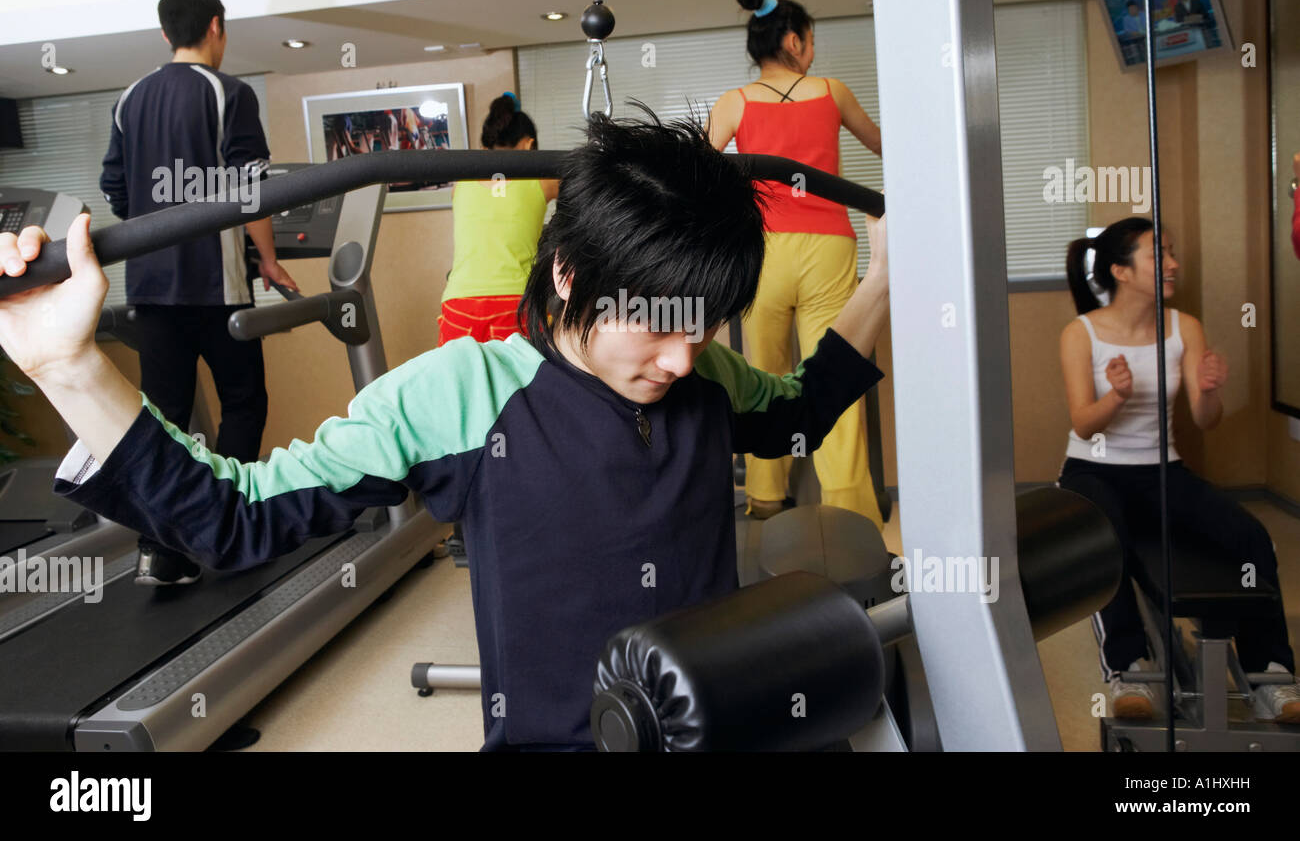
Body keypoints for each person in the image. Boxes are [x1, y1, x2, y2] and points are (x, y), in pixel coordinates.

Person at [0, 110, 890, 751]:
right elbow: (233, 519)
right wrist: (65, 367)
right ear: (573, 278)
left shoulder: (704, 377)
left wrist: (884, 271)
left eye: (701, 329)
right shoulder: (458, 396)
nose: (684, 361)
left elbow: (801, 411)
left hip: (718, 719)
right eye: (657, 327)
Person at [1056, 218, 1299, 723]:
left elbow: (1204, 420)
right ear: (1121, 271)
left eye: (1172, 252)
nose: (1173, 264)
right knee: (1108, 534)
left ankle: (1271, 673)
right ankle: (1128, 668)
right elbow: (1083, 423)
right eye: (1158, 254)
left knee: (1251, 536)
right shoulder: (1080, 334)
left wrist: (1209, 389)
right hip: (1093, 469)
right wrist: (1117, 398)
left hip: (1163, 471)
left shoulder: (1182, 327)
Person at [99, 0, 298, 586]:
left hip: (150, 288)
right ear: (217, 27)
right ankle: (216, 523)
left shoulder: (129, 98)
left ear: (165, 33)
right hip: (215, 285)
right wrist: (268, 258)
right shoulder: (227, 92)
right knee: (243, 402)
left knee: (163, 416)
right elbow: (250, 190)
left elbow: (117, 192)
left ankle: (161, 549)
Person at [708, 0, 887, 530]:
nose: (813, 50)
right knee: (835, 364)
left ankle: (765, 499)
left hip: (764, 250)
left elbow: (697, 175)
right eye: (810, 39)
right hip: (830, 243)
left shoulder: (734, 102)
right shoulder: (832, 91)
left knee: (763, 372)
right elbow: (887, 147)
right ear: (793, 39)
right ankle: (851, 508)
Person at [437, 93, 559, 346]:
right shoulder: (542, 180)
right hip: (514, 304)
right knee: (525, 383)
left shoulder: (460, 184)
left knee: (460, 382)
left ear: (485, 147)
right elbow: (587, 196)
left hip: (459, 303)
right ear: (528, 145)